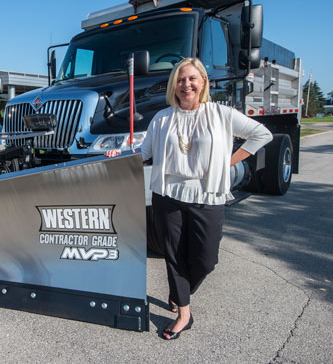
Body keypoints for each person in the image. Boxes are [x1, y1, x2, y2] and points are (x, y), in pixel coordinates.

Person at [105, 58, 272, 340]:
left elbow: (262, 134)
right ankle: (184, 313)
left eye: (192, 79)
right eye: (181, 80)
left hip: (208, 195)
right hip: (167, 195)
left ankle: (180, 290)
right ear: (174, 85)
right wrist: (118, 155)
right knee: (174, 256)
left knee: (206, 260)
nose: (186, 85)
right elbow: (143, 153)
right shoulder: (162, 118)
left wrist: (228, 162)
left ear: (203, 82)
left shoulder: (222, 114)